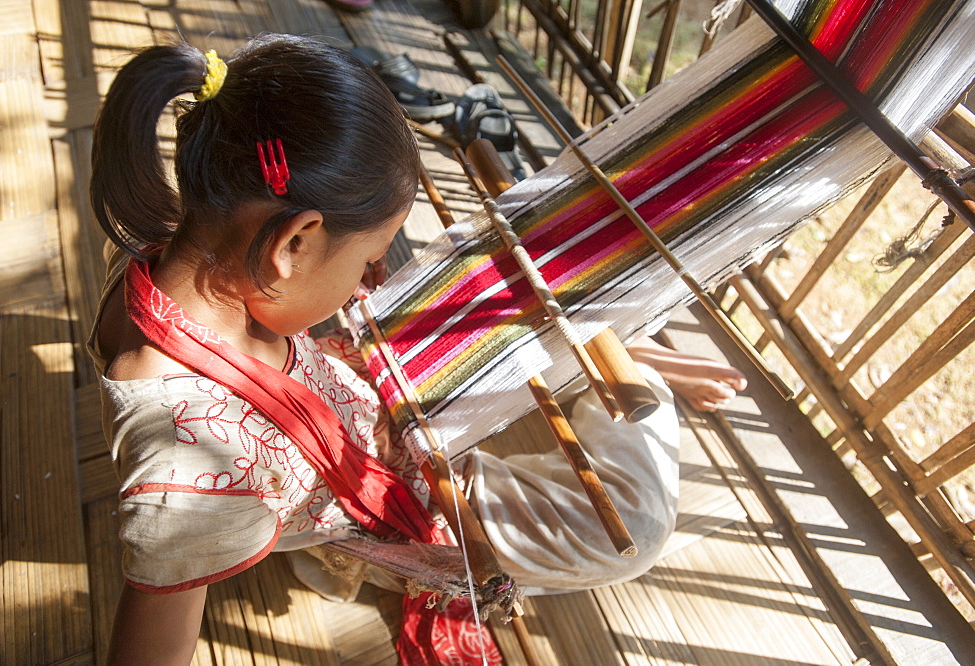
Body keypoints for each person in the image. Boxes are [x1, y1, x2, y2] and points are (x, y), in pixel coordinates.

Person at [89, 35, 744, 665]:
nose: (370, 277)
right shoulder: (189, 476)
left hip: (357, 395)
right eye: (368, 259)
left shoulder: (173, 260)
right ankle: (632, 362)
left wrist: (337, 288)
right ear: (294, 244)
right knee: (632, 527)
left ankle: (615, 346)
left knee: (519, 312)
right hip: (377, 493)